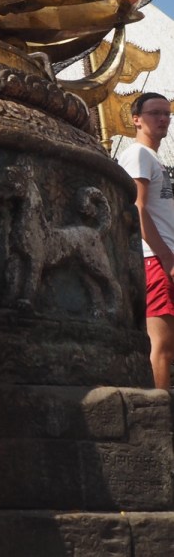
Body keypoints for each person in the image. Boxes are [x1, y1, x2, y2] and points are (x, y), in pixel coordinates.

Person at [118, 92, 174, 390]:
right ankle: (160, 419)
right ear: (136, 119)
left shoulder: (154, 159)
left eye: (166, 113)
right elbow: (135, 207)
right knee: (161, 344)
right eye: (155, 113)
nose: (163, 119)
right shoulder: (138, 154)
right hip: (154, 258)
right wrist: (166, 257)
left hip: (162, 256)